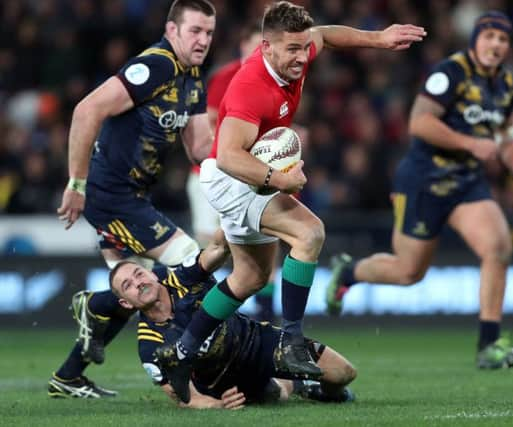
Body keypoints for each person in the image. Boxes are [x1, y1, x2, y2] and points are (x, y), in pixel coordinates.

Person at [154, 0, 426, 403]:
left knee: (250, 278)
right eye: (292, 50)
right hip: (230, 178)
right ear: (266, 48)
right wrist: (280, 178)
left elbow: (326, 35)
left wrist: (379, 40)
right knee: (310, 232)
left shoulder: (299, 47)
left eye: (303, 48)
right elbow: (227, 154)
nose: (302, 57)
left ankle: (180, 352)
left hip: (244, 178)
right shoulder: (251, 87)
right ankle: (291, 341)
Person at [325, 11, 513, 370]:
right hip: (424, 181)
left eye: (503, 40)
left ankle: (489, 345)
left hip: (467, 183)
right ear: (476, 40)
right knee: (409, 272)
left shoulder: (505, 85)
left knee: (498, 247)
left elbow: (507, 132)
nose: (496, 45)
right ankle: (349, 273)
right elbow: (419, 122)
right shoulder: (450, 73)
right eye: (490, 37)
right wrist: (470, 144)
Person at [48, 0, 226, 399]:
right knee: (189, 258)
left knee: (132, 296)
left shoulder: (192, 75)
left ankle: (69, 375)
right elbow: (86, 110)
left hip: (134, 195)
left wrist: (245, 156)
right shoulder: (156, 66)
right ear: (172, 30)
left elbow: (199, 148)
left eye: (209, 33)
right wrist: (76, 184)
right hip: (112, 197)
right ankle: (97, 305)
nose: (203, 40)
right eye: (195, 31)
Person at [109, 245, 357, 409]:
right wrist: (216, 404)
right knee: (273, 395)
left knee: (344, 373)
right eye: (128, 285)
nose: (138, 283)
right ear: (125, 302)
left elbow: (212, 253)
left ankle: (316, 390)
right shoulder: (149, 343)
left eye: (139, 274)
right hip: (224, 382)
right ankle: (292, 385)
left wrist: (230, 231)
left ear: (151, 273)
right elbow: (182, 397)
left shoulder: (181, 277)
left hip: (254, 341)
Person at [188, 23, 276, 322]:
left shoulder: (272, 80)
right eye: (253, 46)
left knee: (262, 249)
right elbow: (211, 124)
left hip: (250, 178)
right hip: (212, 174)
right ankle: (194, 313)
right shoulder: (225, 77)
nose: (257, 53)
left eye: (262, 47)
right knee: (208, 247)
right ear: (242, 47)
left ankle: (264, 322)